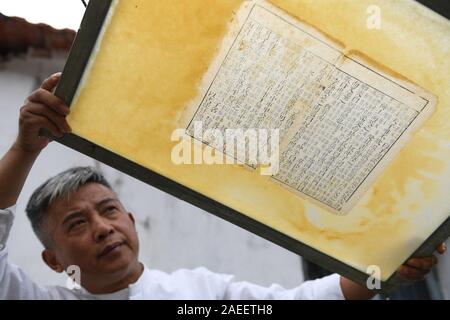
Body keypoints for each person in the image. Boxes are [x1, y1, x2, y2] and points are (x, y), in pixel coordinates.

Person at [0, 73, 446, 300]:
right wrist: (24, 149)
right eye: (77, 223)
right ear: (53, 261)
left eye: (109, 210)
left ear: (132, 221)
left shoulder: (198, 294)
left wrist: (383, 262)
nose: (102, 228)